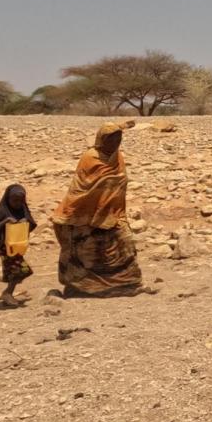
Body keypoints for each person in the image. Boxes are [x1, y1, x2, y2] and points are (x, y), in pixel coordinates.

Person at [51, 123, 155, 297]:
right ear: (102, 140)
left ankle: (128, 284)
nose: (116, 142)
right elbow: (82, 187)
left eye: (119, 138)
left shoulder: (117, 157)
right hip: (85, 213)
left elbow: (119, 181)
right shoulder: (90, 157)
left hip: (112, 213)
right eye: (112, 139)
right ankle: (80, 287)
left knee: (125, 244)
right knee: (84, 250)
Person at [0, 184, 37, 307]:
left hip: (17, 245)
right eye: (14, 200)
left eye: (20, 201)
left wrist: (25, 222)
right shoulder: (3, 210)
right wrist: (5, 221)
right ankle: (8, 293)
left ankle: (8, 292)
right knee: (21, 270)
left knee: (19, 271)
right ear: (8, 199)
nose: (17, 204)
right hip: (5, 247)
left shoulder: (22, 209)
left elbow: (32, 223)